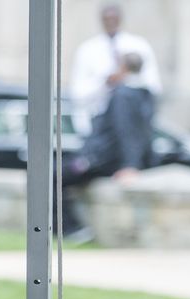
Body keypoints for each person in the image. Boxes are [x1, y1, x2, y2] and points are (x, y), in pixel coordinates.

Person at [61, 51, 156, 238]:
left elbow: (126, 129)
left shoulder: (123, 94)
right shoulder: (145, 93)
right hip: (113, 158)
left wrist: (130, 165)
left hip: (102, 159)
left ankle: (70, 229)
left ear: (123, 68)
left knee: (54, 176)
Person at [70, 3, 161, 133]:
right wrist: (106, 82)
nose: (111, 23)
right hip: (98, 125)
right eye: (107, 19)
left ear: (120, 19)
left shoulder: (139, 46)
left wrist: (127, 77)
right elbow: (77, 93)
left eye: (114, 18)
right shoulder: (87, 50)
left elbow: (153, 86)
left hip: (133, 126)